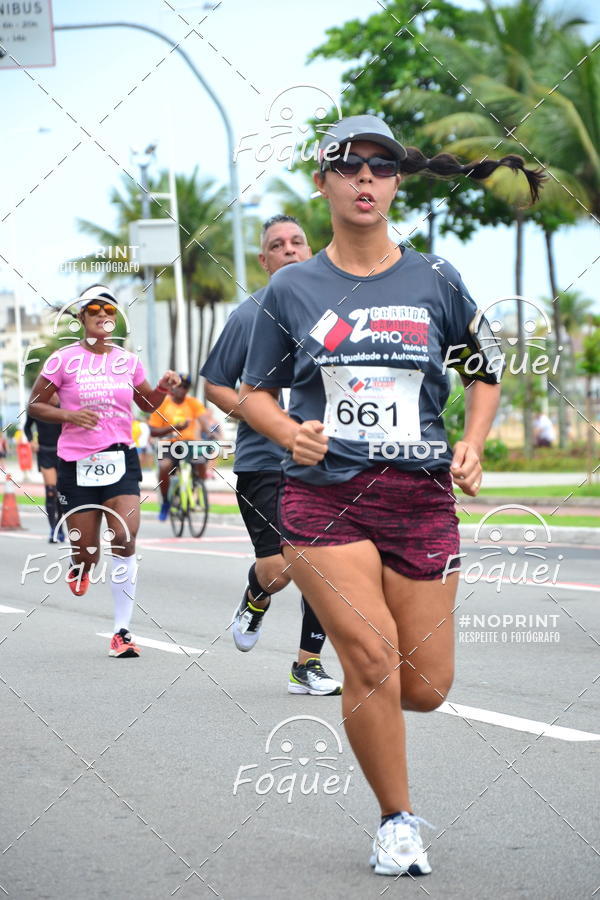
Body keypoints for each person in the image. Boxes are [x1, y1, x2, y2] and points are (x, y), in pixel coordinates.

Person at [239, 115, 543, 875]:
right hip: (322, 497)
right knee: (372, 658)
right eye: (349, 166)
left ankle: (364, 690)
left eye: (380, 166)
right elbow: (252, 393)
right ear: (324, 183)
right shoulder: (292, 287)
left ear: (398, 180)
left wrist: (473, 441)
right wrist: (290, 433)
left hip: (420, 497)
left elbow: (483, 368)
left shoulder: (435, 277)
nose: (365, 179)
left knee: (427, 686)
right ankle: (396, 822)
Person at [201, 214, 341, 696]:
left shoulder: (334, 312)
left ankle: (307, 665)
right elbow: (215, 384)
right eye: (277, 245)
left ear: (311, 250)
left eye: (297, 242)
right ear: (264, 261)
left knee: (324, 564)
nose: (289, 250)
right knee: (280, 570)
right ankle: (255, 595)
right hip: (263, 461)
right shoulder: (250, 314)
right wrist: (266, 417)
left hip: (325, 461)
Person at [28, 284, 180, 658]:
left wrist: (161, 388)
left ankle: (122, 632)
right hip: (75, 464)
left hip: (120, 458)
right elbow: (35, 405)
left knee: (125, 537)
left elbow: (146, 404)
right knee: (88, 552)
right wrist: (68, 415)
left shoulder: (127, 361)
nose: (102, 315)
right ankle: (79, 566)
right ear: (82, 317)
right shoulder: (63, 360)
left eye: (109, 310)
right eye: (94, 309)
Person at [148, 375, 212, 520]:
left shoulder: (193, 402)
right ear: (172, 388)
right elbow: (153, 431)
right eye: (179, 386)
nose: (182, 389)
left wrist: (210, 432)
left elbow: (204, 420)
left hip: (189, 444)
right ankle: (165, 502)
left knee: (201, 458)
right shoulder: (163, 404)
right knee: (164, 467)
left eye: (185, 387)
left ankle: (197, 487)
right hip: (169, 444)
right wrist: (174, 428)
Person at [24, 394, 64, 543]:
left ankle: (60, 527)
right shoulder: (38, 408)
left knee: (60, 494)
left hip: (62, 453)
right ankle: (53, 529)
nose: (54, 396)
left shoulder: (64, 406)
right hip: (45, 452)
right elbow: (27, 427)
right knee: (51, 492)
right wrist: (31, 441)